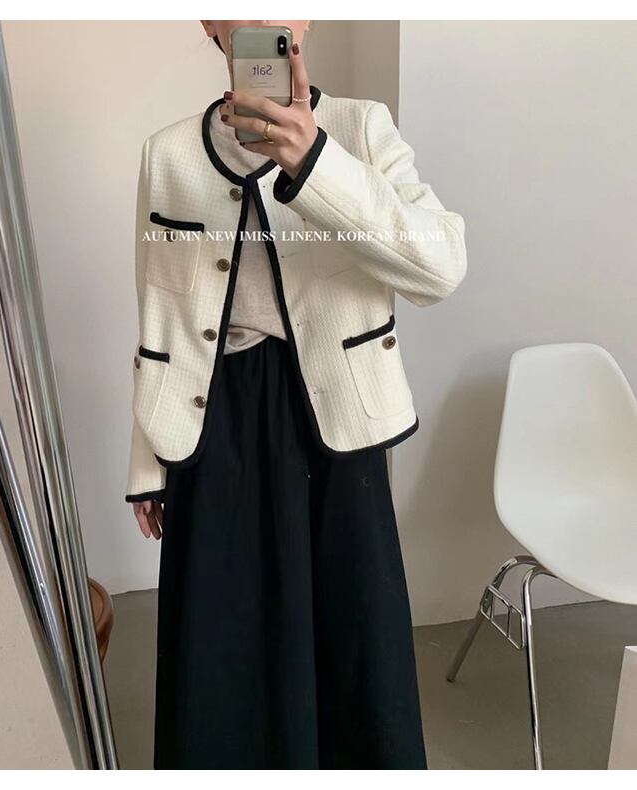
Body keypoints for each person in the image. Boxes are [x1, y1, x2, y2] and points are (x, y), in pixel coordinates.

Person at [126, 19, 468, 769]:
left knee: (354, 640)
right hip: (212, 421)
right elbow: (157, 317)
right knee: (222, 643)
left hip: (335, 417)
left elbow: (440, 267)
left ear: (308, 19)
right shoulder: (168, 154)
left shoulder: (361, 128)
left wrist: (315, 161)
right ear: (209, 22)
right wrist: (147, 462)